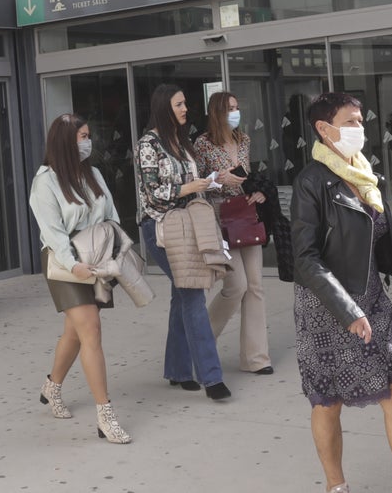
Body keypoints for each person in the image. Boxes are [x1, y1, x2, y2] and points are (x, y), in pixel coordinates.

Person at [291, 92, 392, 493]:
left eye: (361, 121)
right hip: (325, 305)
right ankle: (336, 485)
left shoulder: (367, 173)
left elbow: (381, 233)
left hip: (372, 299)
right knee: (328, 401)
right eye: (350, 122)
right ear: (323, 128)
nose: (360, 129)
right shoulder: (311, 182)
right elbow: (306, 257)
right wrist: (346, 308)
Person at [28, 113, 132, 444]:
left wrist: (114, 250)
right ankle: (105, 415)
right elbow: (53, 232)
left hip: (96, 256)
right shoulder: (44, 182)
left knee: (74, 332)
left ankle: (52, 386)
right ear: (65, 142)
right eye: (82, 136)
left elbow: (111, 215)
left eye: (88, 135)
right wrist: (73, 266)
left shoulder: (95, 174)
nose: (88, 142)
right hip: (64, 262)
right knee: (91, 329)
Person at [135, 83, 230, 401]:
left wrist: (212, 182)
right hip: (160, 227)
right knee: (192, 295)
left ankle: (178, 369)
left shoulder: (181, 141)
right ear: (164, 107)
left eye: (185, 103)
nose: (185, 108)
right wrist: (187, 189)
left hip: (188, 224)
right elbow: (152, 194)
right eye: (179, 104)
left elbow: (191, 184)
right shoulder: (148, 144)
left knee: (183, 293)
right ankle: (211, 377)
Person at [193, 91, 272, 375]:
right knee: (236, 285)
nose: (235, 113)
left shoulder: (244, 139)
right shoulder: (202, 144)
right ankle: (203, 344)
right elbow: (196, 183)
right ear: (216, 111)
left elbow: (247, 176)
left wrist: (258, 192)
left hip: (245, 212)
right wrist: (218, 181)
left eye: (237, 107)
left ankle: (257, 358)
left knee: (255, 286)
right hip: (218, 214)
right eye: (230, 108)